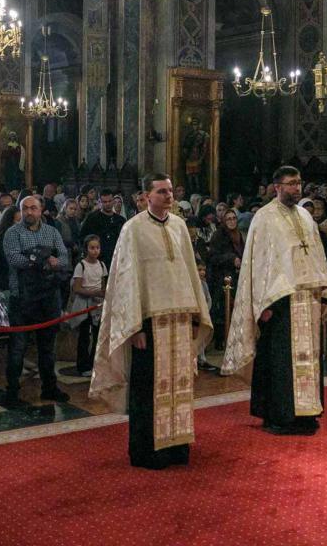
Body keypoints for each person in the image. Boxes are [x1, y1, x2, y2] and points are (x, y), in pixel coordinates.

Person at [91, 173, 212, 469]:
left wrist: (196, 316)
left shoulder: (181, 226)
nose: (168, 196)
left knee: (180, 385)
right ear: (145, 196)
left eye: (170, 191)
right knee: (148, 390)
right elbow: (126, 282)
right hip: (149, 326)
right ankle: (148, 452)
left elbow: (188, 274)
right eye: (161, 191)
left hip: (179, 322)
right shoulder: (132, 230)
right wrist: (135, 327)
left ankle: (177, 446)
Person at [222, 166, 327, 436]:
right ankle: (279, 415)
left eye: (299, 183)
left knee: (308, 360)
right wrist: (264, 305)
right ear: (277, 187)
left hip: (307, 299)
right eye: (291, 184)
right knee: (280, 362)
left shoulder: (306, 218)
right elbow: (259, 263)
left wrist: (322, 292)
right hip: (279, 302)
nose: (296, 188)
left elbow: (317, 255)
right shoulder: (264, 218)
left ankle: (306, 412)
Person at [2, 195, 71, 406]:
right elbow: (14, 259)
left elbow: (64, 258)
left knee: (48, 347)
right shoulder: (13, 233)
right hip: (22, 297)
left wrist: (49, 260)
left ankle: (49, 387)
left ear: (41, 211)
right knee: (18, 347)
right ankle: (12, 389)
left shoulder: (51, 232)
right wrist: (43, 260)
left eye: (33, 208)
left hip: (48, 296)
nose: (29, 212)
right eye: (25, 208)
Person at [206, 209, 245, 349]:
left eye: (234, 218)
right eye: (228, 219)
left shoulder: (239, 235)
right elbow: (213, 257)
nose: (232, 221)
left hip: (236, 275)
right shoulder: (218, 235)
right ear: (223, 220)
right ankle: (220, 339)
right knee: (222, 309)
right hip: (221, 277)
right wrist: (231, 259)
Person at [69, 234, 107, 376]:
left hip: (97, 306)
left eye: (97, 248)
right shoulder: (81, 265)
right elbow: (77, 288)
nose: (95, 251)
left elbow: (102, 286)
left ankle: (94, 363)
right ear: (86, 249)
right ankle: (83, 365)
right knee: (84, 337)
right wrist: (94, 293)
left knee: (98, 337)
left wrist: (101, 294)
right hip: (85, 305)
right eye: (92, 248)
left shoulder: (102, 265)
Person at [79, 190, 127, 266]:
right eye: (104, 202)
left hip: (116, 261)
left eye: (109, 201)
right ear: (100, 202)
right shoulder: (92, 218)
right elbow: (82, 238)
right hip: (96, 260)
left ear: (113, 201)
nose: (108, 204)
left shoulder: (120, 220)